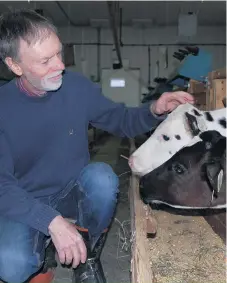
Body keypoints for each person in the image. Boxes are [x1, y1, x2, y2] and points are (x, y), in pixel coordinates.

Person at [0, 8, 195, 283]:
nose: (59, 66)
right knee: (12, 267)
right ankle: (45, 255)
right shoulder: (3, 107)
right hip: (25, 198)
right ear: (15, 65)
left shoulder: (76, 88)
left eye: (59, 53)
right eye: (45, 61)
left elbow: (122, 120)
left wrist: (155, 109)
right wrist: (50, 221)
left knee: (102, 178)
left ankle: (86, 252)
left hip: (69, 189)